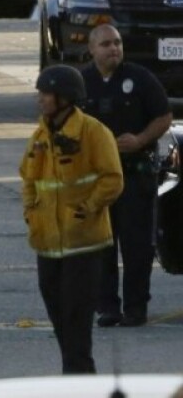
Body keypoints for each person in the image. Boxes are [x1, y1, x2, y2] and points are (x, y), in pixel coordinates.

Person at [21, 65, 123, 375]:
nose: (41, 99)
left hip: (83, 244)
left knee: (77, 324)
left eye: (46, 94)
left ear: (64, 98)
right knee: (61, 322)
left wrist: (87, 209)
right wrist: (30, 211)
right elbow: (28, 176)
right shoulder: (41, 133)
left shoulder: (93, 132)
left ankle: (79, 382)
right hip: (48, 245)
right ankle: (77, 379)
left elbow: (112, 179)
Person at [81, 24, 172, 329]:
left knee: (136, 248)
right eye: (106, 44)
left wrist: (141, 139)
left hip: (134, 176)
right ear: (92, 49)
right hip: (96, 180)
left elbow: (164, 117)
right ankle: (107, 307)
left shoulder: (140, 78)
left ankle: (136, 308)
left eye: (117, 43)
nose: (114, 49)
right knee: (101, 247)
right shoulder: (82, 82)